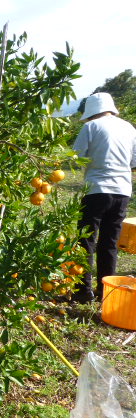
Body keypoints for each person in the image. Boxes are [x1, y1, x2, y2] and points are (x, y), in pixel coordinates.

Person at [72, 92, 136, 304]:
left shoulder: (91, 127)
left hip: (96, 190)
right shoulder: (129, 128)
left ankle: (83, 291)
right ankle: (105, 292)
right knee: (109, 243)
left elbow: (76, 157)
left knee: (87, 240)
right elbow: (134, 164)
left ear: (92, 112)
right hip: (122, 192)